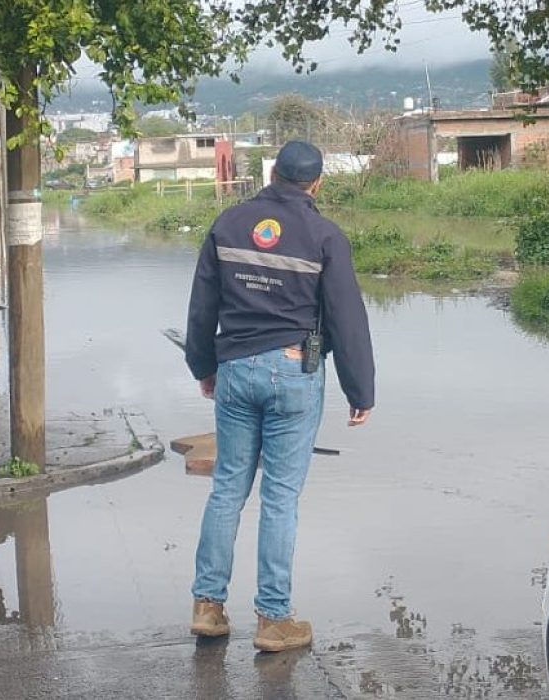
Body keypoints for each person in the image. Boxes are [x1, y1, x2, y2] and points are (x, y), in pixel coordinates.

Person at [184, 140, 375, 652]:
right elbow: (346, 318)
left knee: (228, 488)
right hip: (293, 372)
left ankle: (207, 607)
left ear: (271, 173)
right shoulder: (325, 235)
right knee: (280, 498)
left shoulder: (228, 224)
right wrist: (361, 390)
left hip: (235, 370)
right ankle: (273, 620)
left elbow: (203, 304)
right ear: (317, 183)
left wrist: (204, 366)